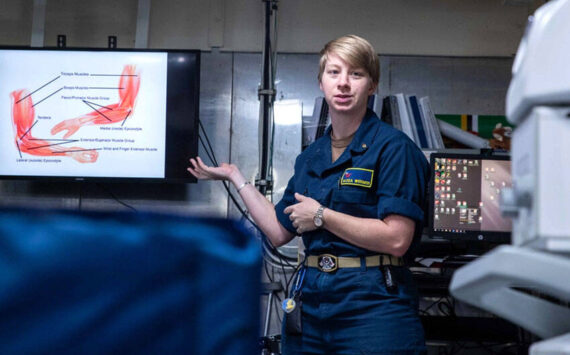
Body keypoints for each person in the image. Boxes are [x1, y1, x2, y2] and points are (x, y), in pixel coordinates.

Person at [188, 34, 429, 354]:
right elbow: (277, 231)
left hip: (373, 307)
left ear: (371, 86)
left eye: (356, 74)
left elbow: (397, 238)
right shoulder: (311, 156)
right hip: (313, 304)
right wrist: (235, 177)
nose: (343, 83)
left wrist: (321, 215)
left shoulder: (394, 149)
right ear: (321, 82)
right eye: (334, 73)